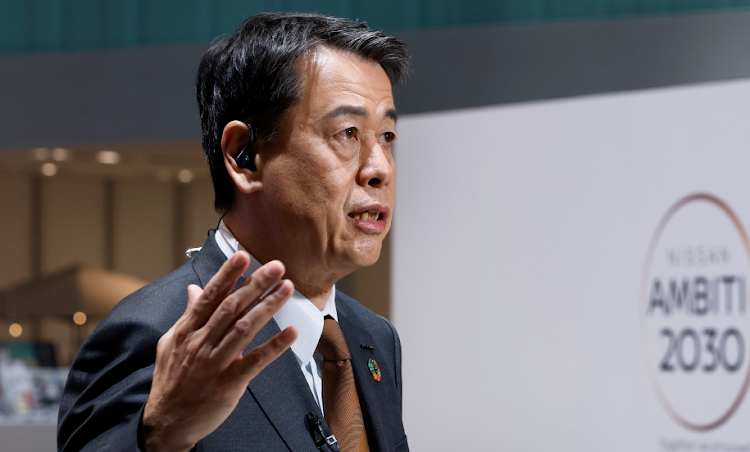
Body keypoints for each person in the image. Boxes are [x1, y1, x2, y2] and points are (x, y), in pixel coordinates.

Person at [57, 12, 410, 452]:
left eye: (388, 136)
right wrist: (160, 436)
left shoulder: (373, 338)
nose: (379, 168)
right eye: (348, 133)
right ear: (244, 156)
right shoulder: (156, 332)